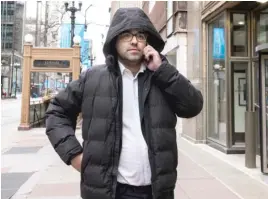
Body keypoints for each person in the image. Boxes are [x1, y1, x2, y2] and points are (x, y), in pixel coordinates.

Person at [45, 7, 203, 199]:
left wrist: (163, 70)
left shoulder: (161, 76)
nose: (134, 40)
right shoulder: (93, 78)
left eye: (141, 35)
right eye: (127, 34)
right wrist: (73, 155)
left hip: (157, 191)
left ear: (148, 42)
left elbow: (193, 106)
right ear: (115, 39)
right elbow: (56, 112)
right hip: (110, 191)